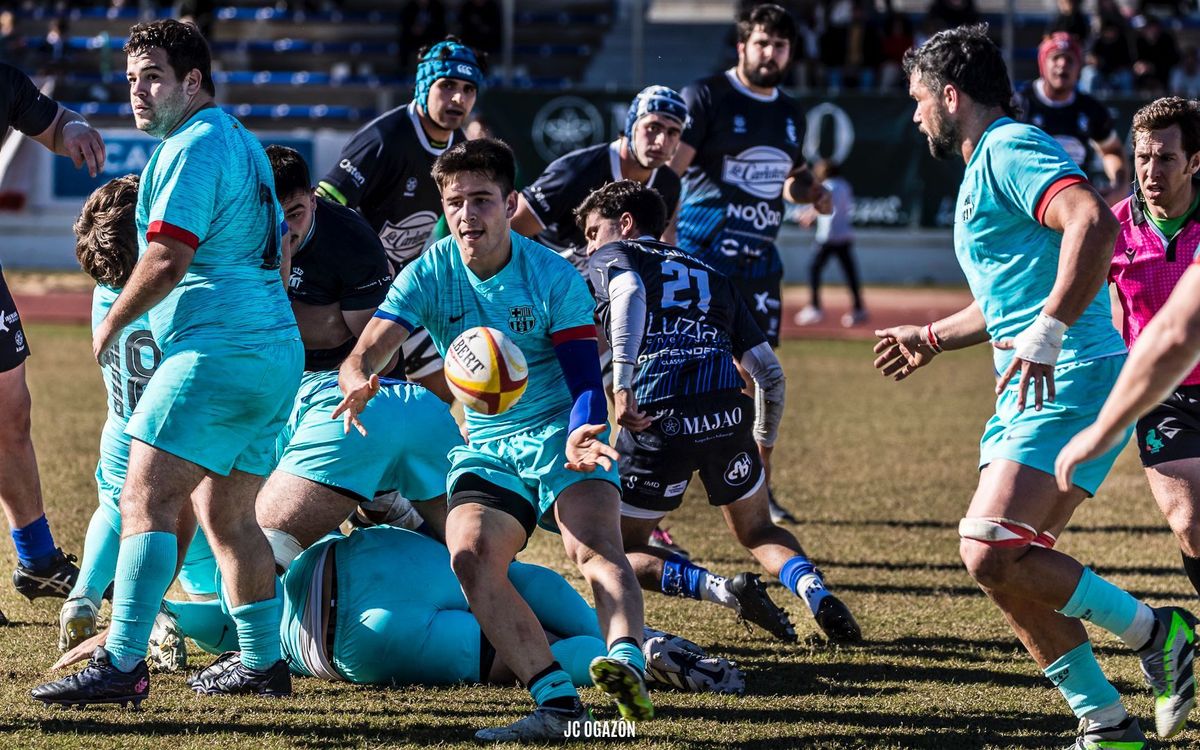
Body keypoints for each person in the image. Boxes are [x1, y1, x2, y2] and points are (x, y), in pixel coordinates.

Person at [874, 25, 1196, 747]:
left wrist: (1049, 330)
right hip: (1027, 385)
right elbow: (1004, 300)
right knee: (1008, 568)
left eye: (919, 98)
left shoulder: (1011, 147)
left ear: (950, 95)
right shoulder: (985, 160)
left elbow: (1092, 224)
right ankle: (1105, 723)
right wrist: (929, 339)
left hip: (1072, 372)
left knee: (987, 546)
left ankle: (1160, 633)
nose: (915, 113)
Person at [335, 138, 652, 741]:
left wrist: (585, 430)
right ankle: (558, 705)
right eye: (454, 202)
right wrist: (356, 380)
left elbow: (585, 378)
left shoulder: (553, 275)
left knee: (594, 550)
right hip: (487, 444)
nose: (466, 215)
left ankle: (628, 666)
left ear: (510, 203)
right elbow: (366, 350)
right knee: (470, 556)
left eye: (482, 200)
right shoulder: (428, 274)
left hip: (564, 430)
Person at [31, 19, 303, 707]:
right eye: (131, 80)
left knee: (144, 497)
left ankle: (122, 663)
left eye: (153, 76)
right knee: (228, 515)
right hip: (274, 352)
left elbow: (167, 254)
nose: (139, 92)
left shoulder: (194, 143)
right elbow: (278, 254)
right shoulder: (241, 140)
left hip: (219, 351)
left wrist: (112, 320)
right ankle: (263, 663)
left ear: (193, 81)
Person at [578, 180, 862, 644]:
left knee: (614, 550)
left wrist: (623, 382)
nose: (589, 245)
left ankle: (720, 589)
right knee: (757, 529)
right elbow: (770, 375)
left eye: (593, 232)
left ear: (625, 224)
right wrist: (763, 445)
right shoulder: (712, 274)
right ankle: (816, 594)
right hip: (728, 413)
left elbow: (627, 292)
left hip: (658, 416)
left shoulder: (615, 256)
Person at [57, 526, 745, 699]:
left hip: (347, 636)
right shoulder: (242, 497)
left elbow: (204, 624)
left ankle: (606, 664)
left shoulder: (190, 583)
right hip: (375, 556)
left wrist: (130, 625)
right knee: (518, 581)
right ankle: (633, 645)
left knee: (506, 659)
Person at [253, 145, 458, 573]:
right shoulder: (243, 228)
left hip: (340, 383)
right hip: (274, 376)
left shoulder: (351, 241)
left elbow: (374, 350)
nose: (284, 229)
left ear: (313, 196)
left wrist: (298, 316)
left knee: (373, 503)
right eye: (274, 215)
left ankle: (388, 509)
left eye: (295, 213)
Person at [671, 3, 824, 526]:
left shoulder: (790, 111)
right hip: (702, 257)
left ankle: (759, 488)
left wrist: (812, 193)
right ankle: (660, 481)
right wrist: (661, 240)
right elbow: (672, 173)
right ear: (742, 46)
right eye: (761, 43)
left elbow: (792, 177)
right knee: (682, 369)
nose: (770, 53)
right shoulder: (707, 96)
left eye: (779, 45)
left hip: (759, 262)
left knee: (762, 377)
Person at [59, 174, 218, 654]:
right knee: (182, 536)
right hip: (170, 435)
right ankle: (152, 616)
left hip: (120, 428)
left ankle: (83, 596)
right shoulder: (172, 294)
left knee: (113, 509)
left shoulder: (103, 293)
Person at [317, 37, 483, 403]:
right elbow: (323, 205)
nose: (458, 98)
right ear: (424, 85)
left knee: (445, 389)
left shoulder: (459, 147)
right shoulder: (384, 138)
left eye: (468, 89)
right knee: (371, 393)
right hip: (353, 290)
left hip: (404, 284)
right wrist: (358, 267)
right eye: (448, 86)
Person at [0, 61, 106, 626]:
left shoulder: (3, 78)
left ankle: (37, 559)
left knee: (11, 412)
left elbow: (48, 119)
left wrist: (74, 129)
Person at [1083, 98, 1200, 605]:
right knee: (1190, 522)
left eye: (1166, 158)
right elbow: (1065, 294)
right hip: (1164, 395)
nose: (1151, 171)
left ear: (1195, 161)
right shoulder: (1113, 230)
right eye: (1143, 157)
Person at [511, 85, 688, 268]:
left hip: (616, 278)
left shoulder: (669, 184)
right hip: (552, 276)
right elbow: (507, 230)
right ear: (631, 126)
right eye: (653, 127)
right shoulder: (576, 171)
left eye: (673, 132)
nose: (661, 141)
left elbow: (661, 248)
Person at [1016, 33, 1129, 205]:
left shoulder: (1090, 108)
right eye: (1056, 58)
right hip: (1029, 201)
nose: (1062, 64)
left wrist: (1118, 186)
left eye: (1069, 59)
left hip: (1076, 202)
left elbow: (1111, 151)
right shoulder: (1020, 103)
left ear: (1079, 68)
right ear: (1042, 63)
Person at [794, 159, 865, 327]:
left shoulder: (828, 186)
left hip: (829, 237)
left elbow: (823, 206)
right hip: (844, 235)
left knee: (813, 269)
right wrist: (808, 215)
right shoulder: (845, 185)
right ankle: (859, 308)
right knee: (850, 274)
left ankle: (815, 307)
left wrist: (807, 217)